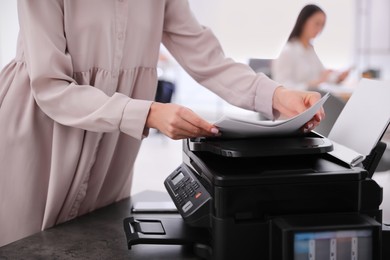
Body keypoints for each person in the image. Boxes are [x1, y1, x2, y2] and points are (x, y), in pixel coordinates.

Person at [0, 0, 324, 247]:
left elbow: (206, 59)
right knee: (21, 245)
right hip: (37, 133)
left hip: (112, 146)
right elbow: (50, 86)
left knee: (92, 243)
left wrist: (279, 96)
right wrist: (149, 113)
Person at [271, 4, 350, 90]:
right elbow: (282, 87)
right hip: (298, 100)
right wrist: (312, 84)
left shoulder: (310, 50)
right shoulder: (288, 52)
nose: (319, 29)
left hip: (314, 97)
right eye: (317, 23)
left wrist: (338, 78)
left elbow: (322, 75)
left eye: (322, 25)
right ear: (304, 22)